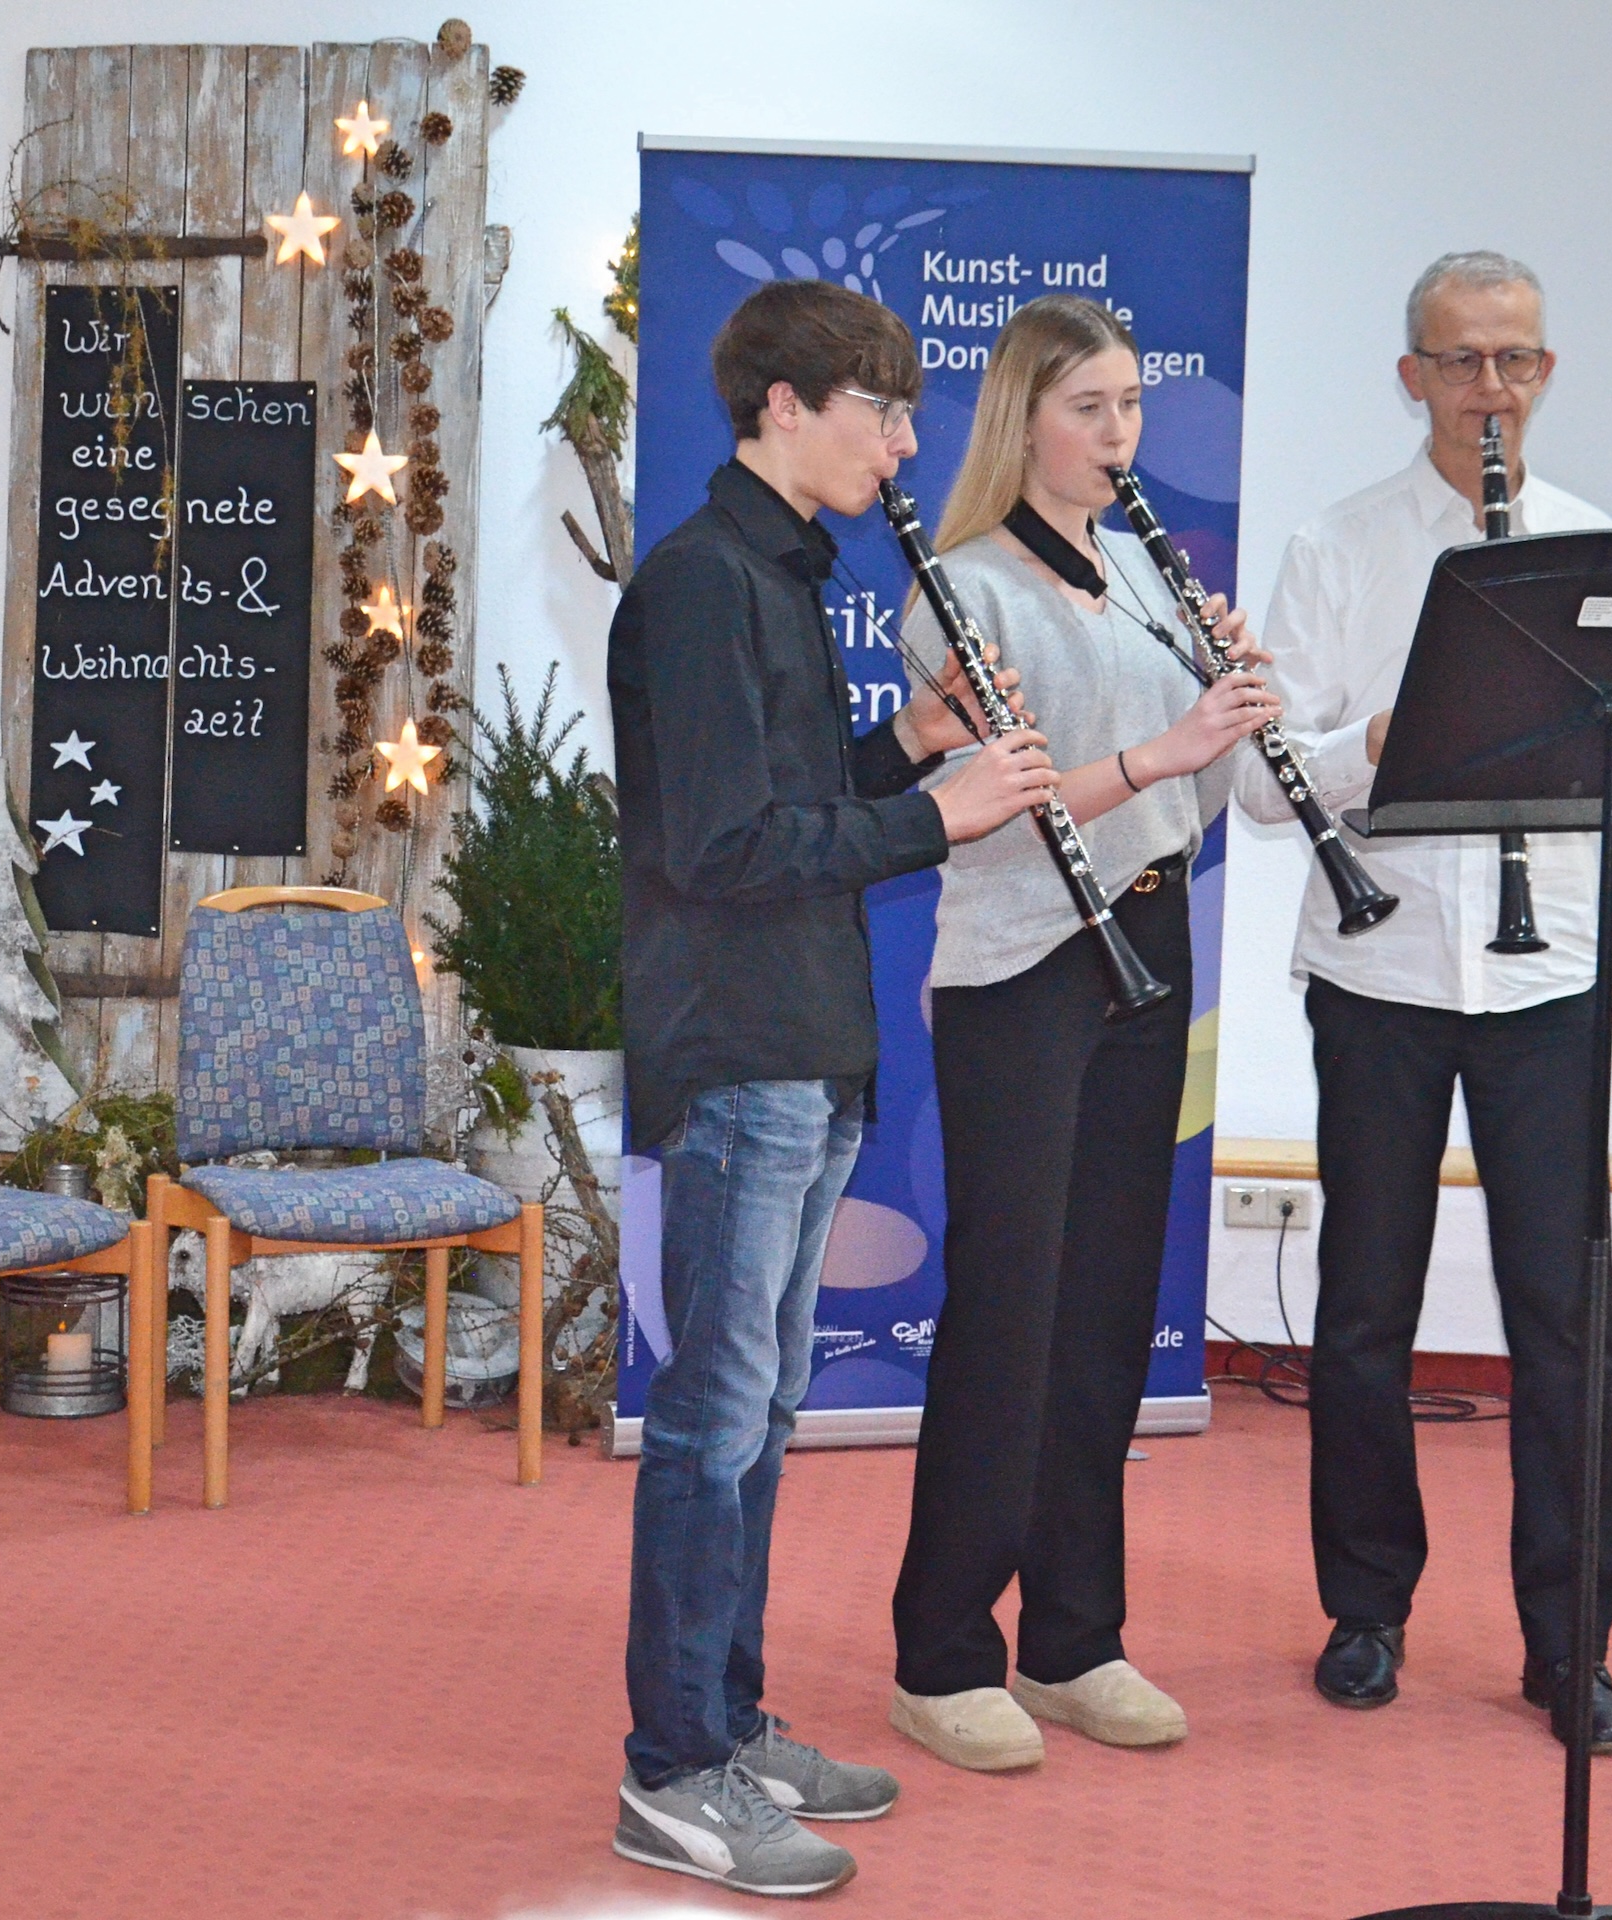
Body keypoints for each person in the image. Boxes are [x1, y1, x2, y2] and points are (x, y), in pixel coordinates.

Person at [608, 277, 1060, 1897]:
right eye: (881, 411)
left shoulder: (783, 570)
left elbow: (790, 802)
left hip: (806, 1043)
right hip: (741, 1048)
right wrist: (943, 817)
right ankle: (672, 1771)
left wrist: (910, 746)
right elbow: (724, 850)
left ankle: (728, 1725)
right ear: (785, 407)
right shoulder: (700, 582)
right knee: (712, 1420)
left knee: (765, 1412)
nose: (905, 444)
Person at [1239, 250, 1612, 1753]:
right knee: (1362, 1313)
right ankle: (1366, 1608)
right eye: (1461, 361)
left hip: (1548, 978)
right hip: (1381, 971)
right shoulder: (1336, 547)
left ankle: (1569, 1643)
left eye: (1515, 359)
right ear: (1410, 376)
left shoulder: (1598, 551)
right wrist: (1388, 738)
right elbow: (1260, 787)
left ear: (1546, 371)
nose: (1491, 390)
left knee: (1565, 1320)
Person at [886, 295, 1280, 1774]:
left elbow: (1218, 794)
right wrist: (1165, 745)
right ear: (1024, 420)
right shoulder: (964, 592)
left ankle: (1072, 1638)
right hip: (1024, 965)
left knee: (1110, 1301)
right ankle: (941, 1654)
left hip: (1151, 944)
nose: (1120, 436)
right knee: (1012, 1303)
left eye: (1132, 407)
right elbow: (1002, 804)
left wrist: (1237, 712)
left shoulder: (1151, 576)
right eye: (1089, 409)